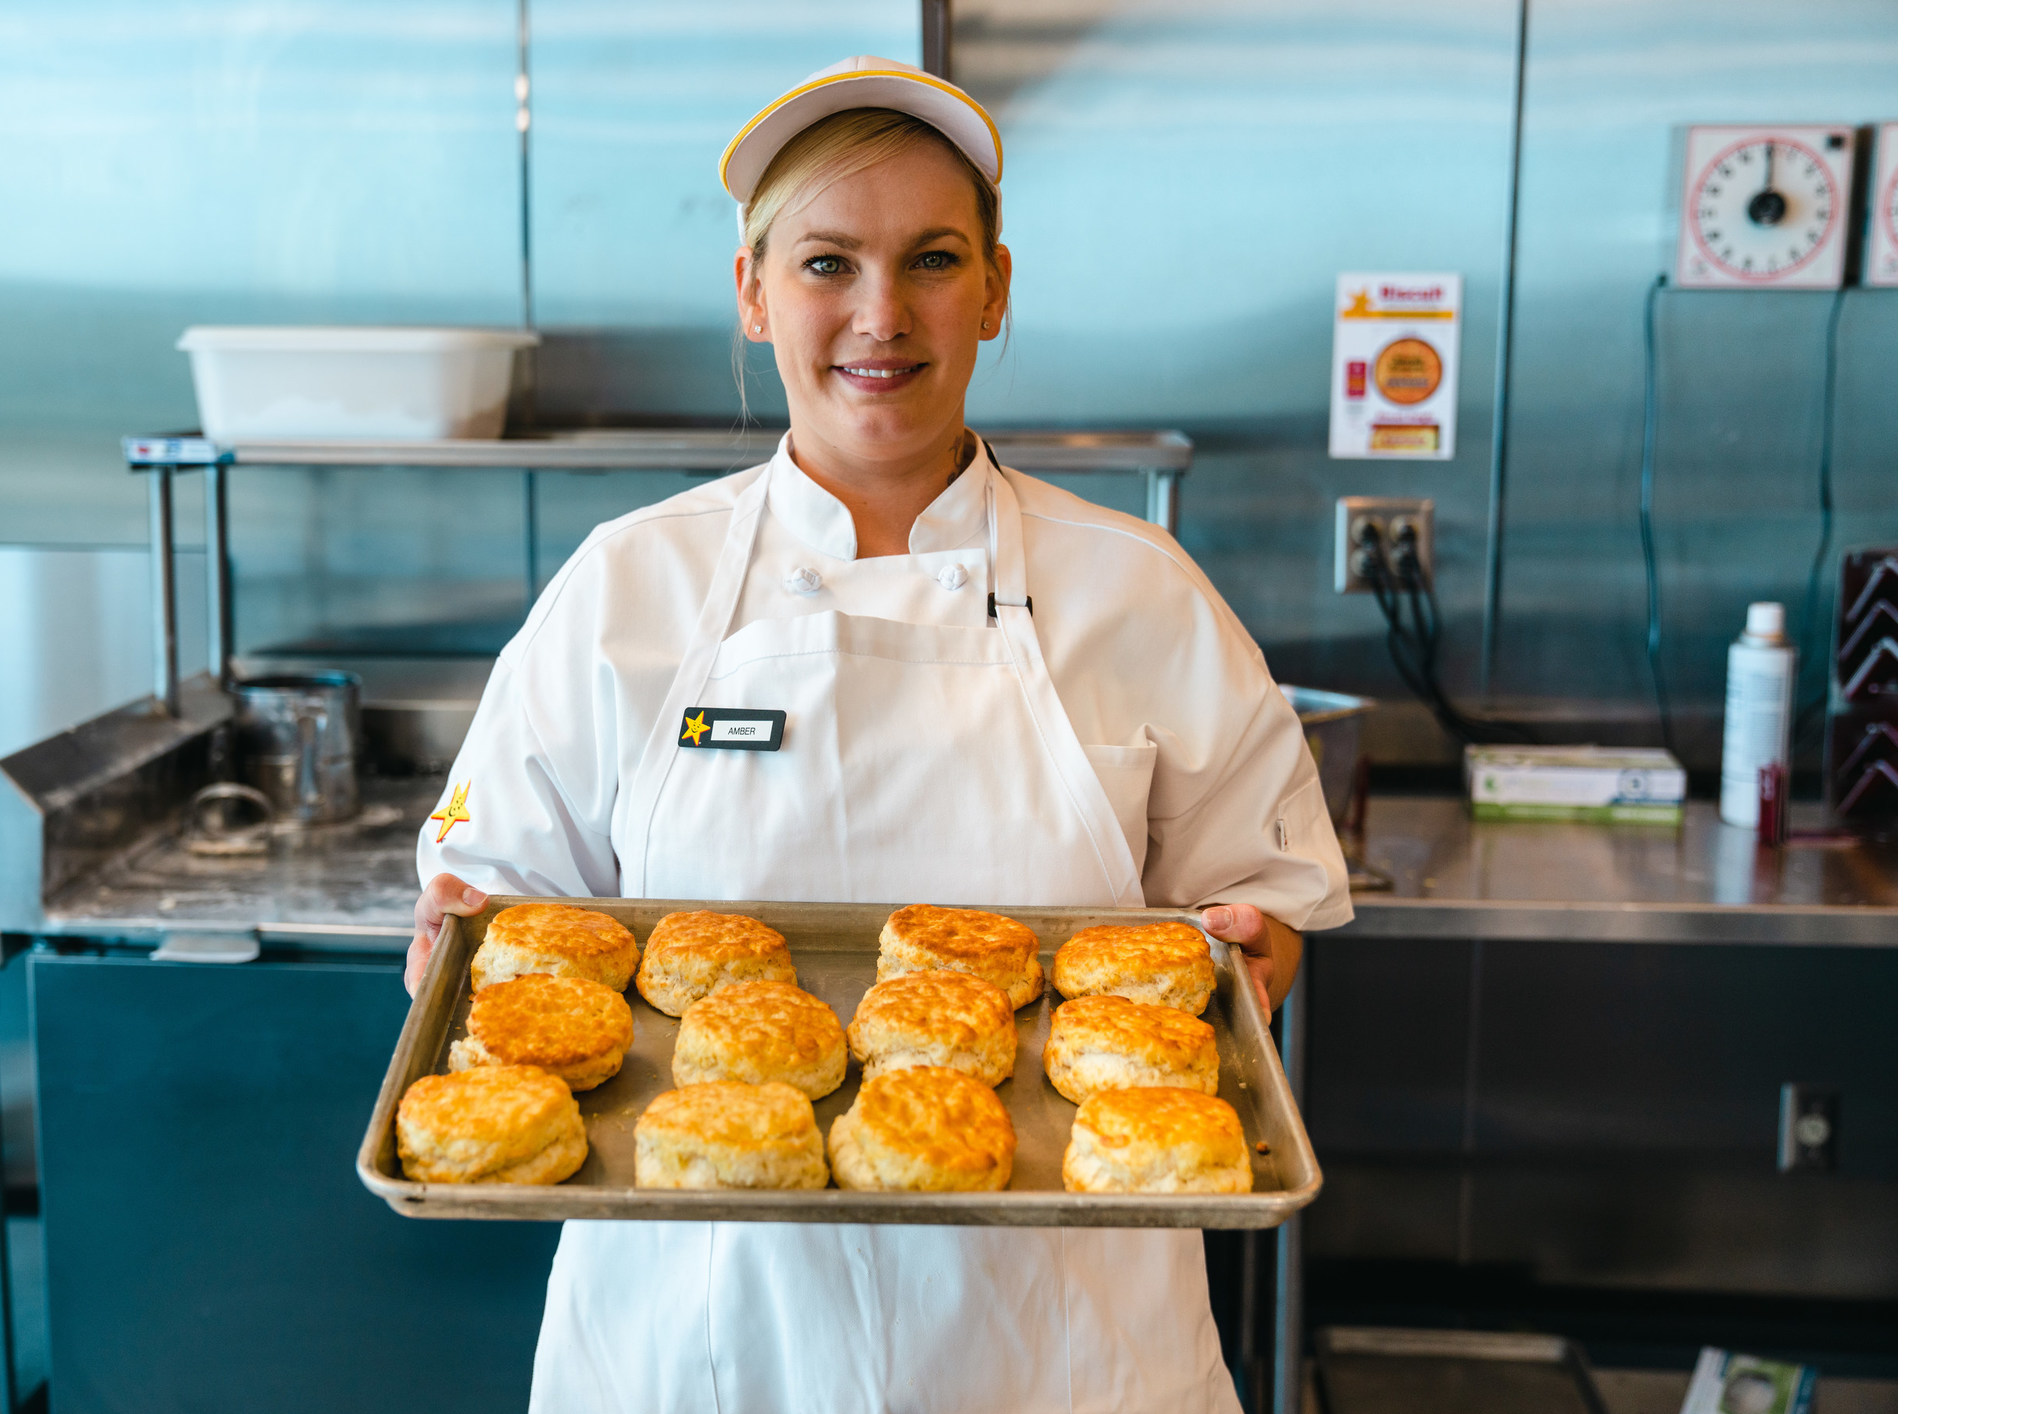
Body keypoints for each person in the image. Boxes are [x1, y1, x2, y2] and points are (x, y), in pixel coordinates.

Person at [408, 54, 1350, 1414]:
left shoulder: (1140, 590)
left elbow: (1261, 909)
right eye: (827, 263)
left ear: (998, 288)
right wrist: (446, 940)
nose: (880, 315)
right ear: (751, 292)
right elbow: (501, 925)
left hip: (1071, 1351)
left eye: (933, 259)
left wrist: (1263, 959)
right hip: (699, 1342)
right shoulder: (628, 586)